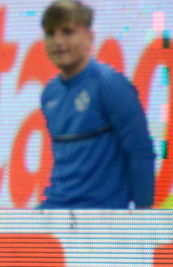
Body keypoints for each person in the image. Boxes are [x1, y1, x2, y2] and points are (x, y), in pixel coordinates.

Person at [39, 0, 156, 209]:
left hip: (100, 215)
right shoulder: (49, 94)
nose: (58, 41)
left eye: (68, 32)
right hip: (56, 208)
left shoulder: (111, 84)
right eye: (50, 33)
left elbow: (140, 152)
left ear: (90, 37)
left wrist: (144, 216)